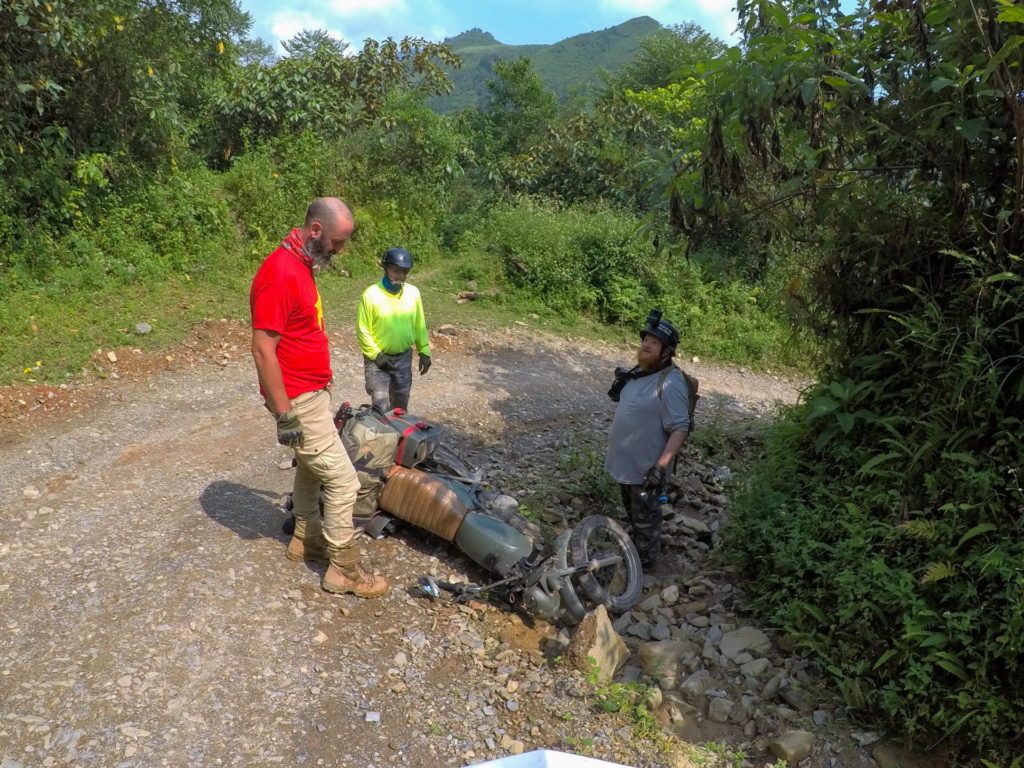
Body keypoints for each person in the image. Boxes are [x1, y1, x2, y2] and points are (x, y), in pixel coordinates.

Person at [249, 197, 388, 598]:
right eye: (337, 241)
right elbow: (262, 348)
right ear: (315, 231)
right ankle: (344, 569)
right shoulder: (281, 272)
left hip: (309, 393)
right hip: (298, 399)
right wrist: (284, 413)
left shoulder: (299, 264)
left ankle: (306, 538)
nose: (340, 250)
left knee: (311, 467)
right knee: (344, 482)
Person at [605, 310, 691, 566]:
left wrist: (660, 465)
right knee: (634, 513)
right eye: (645, 340)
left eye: (654, 342)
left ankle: (645, 568)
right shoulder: (639, 372)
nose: (646, 344)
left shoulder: (671, 382)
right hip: (627, 465)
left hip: (648, 469)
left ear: (667, 351)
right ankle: (637, 554)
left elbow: (680, 428)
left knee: (647, 518)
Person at [356, 247, 431, 412]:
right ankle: (378, 436)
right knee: (380, 404)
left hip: (403, 358)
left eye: (404, 272)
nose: (400, 276)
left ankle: (398, 437)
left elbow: (419, 324)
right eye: (396, 270)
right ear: (385, 268)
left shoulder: (413, 293)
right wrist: (377, 355)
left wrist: (424, 351)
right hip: (377, 360)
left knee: (401, 404)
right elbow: (363, 330)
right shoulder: (370, 295)